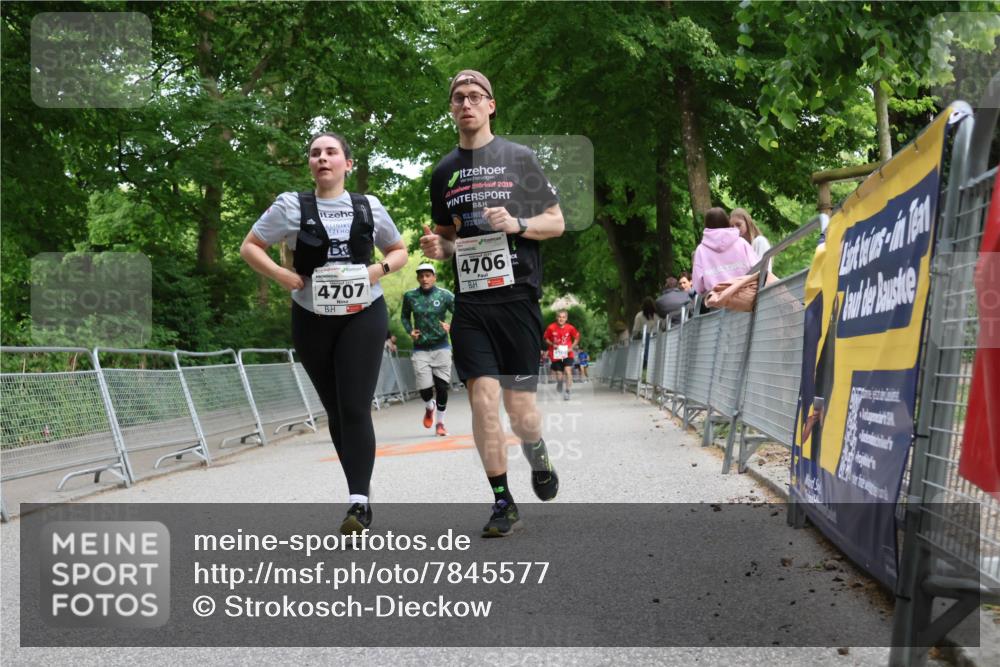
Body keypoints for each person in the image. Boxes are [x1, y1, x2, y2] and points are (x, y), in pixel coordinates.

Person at [421, 69, 565, 537]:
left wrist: (518, 224)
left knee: (520, 410)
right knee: (483, 401)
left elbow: (556, 222)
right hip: (471, 304)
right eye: (458, 98)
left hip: (518, 295)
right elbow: (447, 239)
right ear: (451, 109)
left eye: (475, 96)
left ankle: (536, 450)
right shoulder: (443, 172)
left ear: (490, 105)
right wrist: (439, 249)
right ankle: (502, 501)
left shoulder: (519, 158)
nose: (466, 103)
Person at [240, 131, 407, 535]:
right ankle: (356, 495)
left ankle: (358, 501)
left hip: (363, 312)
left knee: (354, 406)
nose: (323, 158)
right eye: (315, 153)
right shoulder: (290, 206)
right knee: (334, 410)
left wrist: (376, 271)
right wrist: (282, 275)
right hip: (311, 316)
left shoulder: (370, 207)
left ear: (348, 164)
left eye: (332, 152)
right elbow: (250, 247)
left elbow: (399, 251)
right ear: (310, 165)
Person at [401, 263, 455, 437]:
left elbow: (461, 312)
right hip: (420, 349)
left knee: (441, 387)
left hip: (441, 347)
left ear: (434, 277)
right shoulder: (410, 296)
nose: (424, 279)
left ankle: (440, 423)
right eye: (421, 276)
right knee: (425, 390)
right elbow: (404, 316)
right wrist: (410, 330)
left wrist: (451, 326)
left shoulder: (445, 295)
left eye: (428, 275)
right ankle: (429, 406)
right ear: (418, 278)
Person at [692, 207, 760, 298]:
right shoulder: (741, 243)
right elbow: (756, 268)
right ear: (726, 222)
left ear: (706, 225)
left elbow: (698, 285)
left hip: (717, 303)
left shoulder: (700, 250)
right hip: (745, 299)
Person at [544, 310, 581, 401]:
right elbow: (546, 338)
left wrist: (571, 347)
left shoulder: (570, 328)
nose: (561, 319)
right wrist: (552, 344)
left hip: (568, 352)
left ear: (566, 318)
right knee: (559, 374)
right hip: (556, 353)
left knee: (568, 370)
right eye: (560, 317)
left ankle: (567, 391)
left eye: (563, 317)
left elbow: (577, 337)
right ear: (557, 318)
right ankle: (560, 383)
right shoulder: (551, 327)